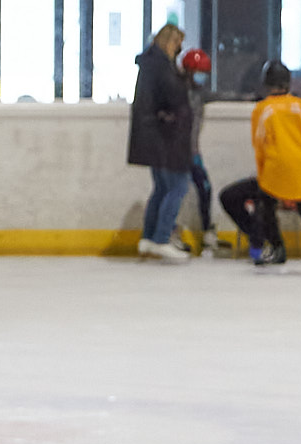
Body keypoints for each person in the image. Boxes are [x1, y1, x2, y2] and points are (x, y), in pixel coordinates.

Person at [220, 60, 301, 272]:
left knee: (267, 205)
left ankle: (278, 249)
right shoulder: (300, 106)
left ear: (266, 84)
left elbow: (259, 142)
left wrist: (262, 169)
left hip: (275, 166)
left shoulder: (262, 109)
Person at [128, 24, 193, 265]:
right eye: (177, 43)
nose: (179, 49)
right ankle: (161, 237)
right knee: (177, 186)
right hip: (166, 136)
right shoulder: (161, 67)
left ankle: (149, 237)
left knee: (162, 188)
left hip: (153, 135)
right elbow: (174, 97)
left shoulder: (150, 64)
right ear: (170, 41)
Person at [180, 47, 219, 254]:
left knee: (205, 188)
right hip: (177, 153)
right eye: (197, 73)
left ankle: (207, 231)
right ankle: (169, 231)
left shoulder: (199, 93)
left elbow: (220, 95)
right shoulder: (177, 92)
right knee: (173, 193)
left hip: (193, 154)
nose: (201, 78)